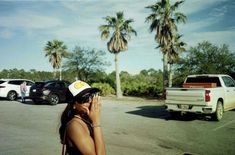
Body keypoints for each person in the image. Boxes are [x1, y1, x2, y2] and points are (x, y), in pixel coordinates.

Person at [59, 80, 106, 155]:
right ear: (74, 105)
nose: (90, 101)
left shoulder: (86, 119)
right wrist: (96, 122)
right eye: (85, 98)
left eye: (92, 95)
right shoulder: (75, 126)